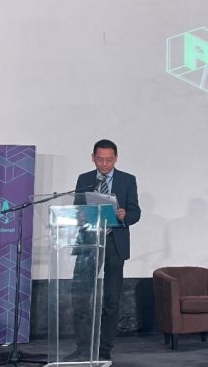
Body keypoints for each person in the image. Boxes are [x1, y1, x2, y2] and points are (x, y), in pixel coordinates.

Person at [69, 139, 141, 365]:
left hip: (114, 243)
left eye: (109, 160)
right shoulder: (84, 179)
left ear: (116, 158)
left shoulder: (127, 180)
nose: (104, 164)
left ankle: (104, 349)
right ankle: (83, 348)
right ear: (93, 158)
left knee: (111, 299)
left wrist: (124, 215)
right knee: (81, 297)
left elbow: (135, 212)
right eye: (100, 159)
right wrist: (82, 212)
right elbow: (76, 208)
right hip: (89, 242)